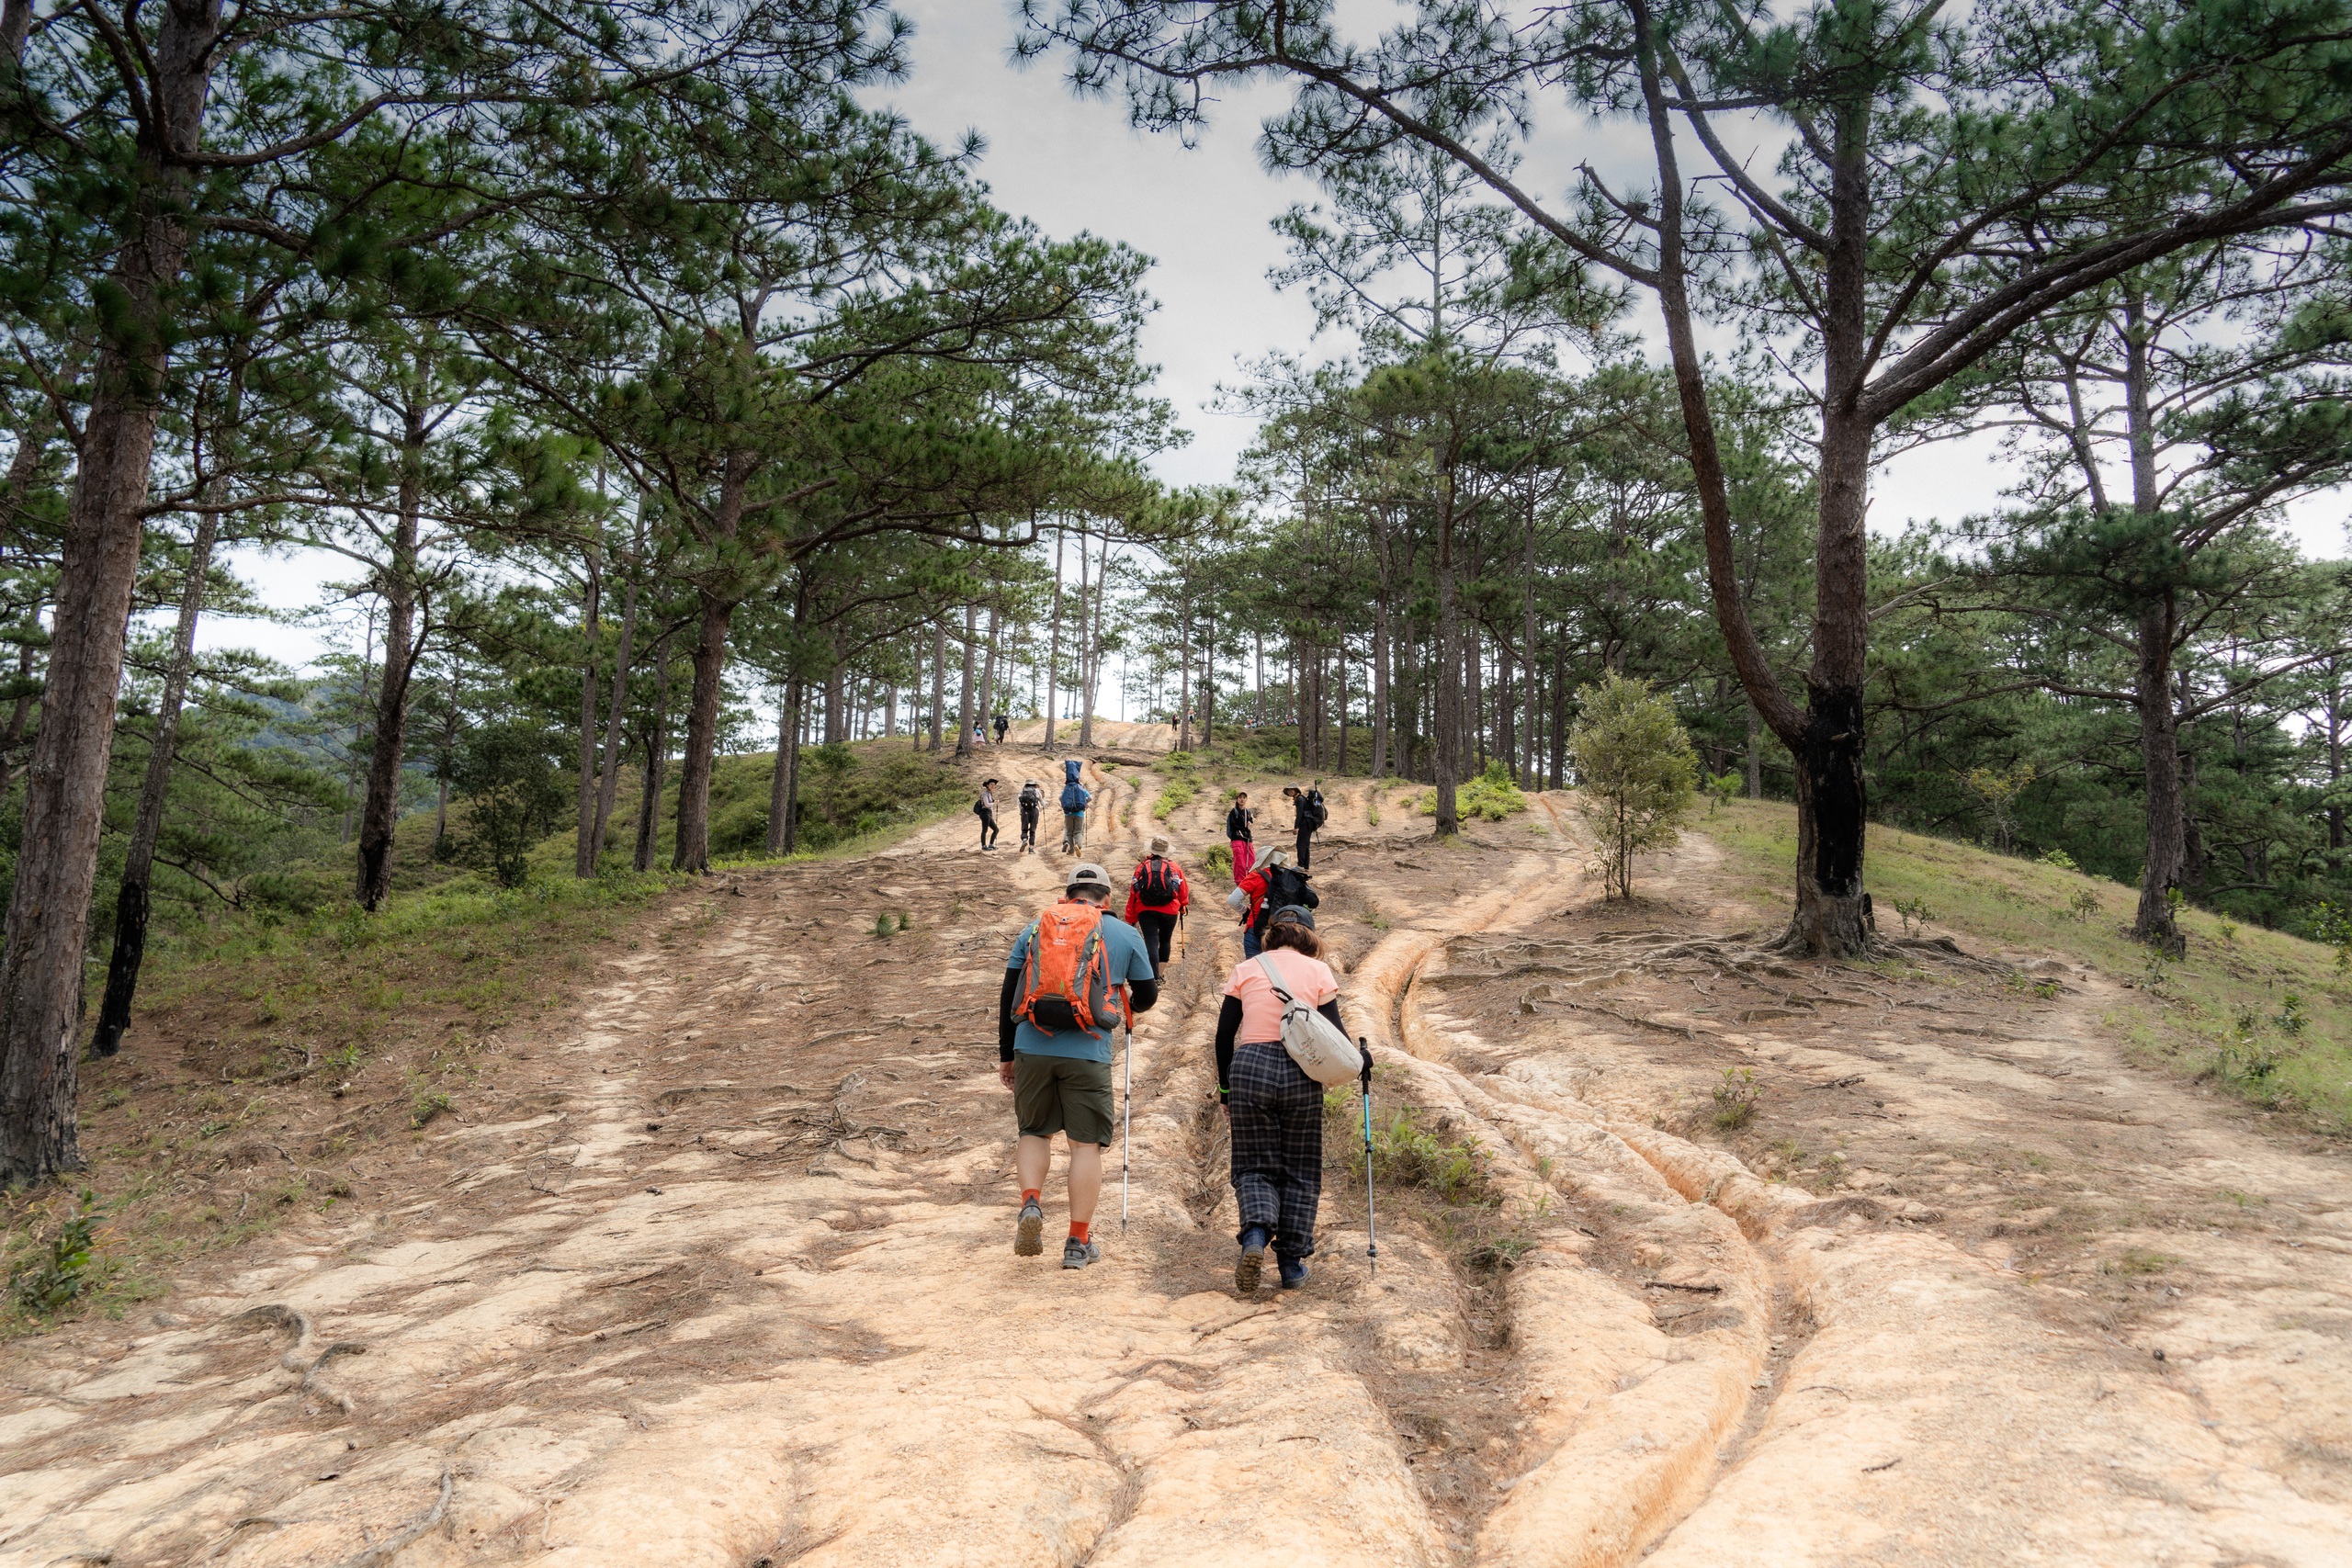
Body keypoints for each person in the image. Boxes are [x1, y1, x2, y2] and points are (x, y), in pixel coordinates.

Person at [1001, 863, 1159, 1269]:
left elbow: (1009, 996)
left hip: (1032, 1046)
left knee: (1034, 1131)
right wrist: (1126, 1006)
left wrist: (1006, 1055)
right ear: (1108, 899)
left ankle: (1031, 1203)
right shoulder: (1125, 934)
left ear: (1067, 894)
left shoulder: (1036, 928)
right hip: (1088, 1051)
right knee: (1085, 1145)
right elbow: (1146, 994)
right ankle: (1077, 1241)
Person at [1216, 906, 1359, 1291]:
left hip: (1250, 1067)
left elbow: (1224, 1035)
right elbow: (1334, 1032)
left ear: (1273, 934)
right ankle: (1291, 1265)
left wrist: (1226, 1090)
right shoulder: (1318, 971)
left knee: (1253, 1165)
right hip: (1302, 1069)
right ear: (1309, 936)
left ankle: (1255, 1238)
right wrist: (1361, 1060)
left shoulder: (1248, 968)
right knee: (1300, 1167)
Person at [1123, 835, 1190, 974]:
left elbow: (1133, 894)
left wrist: (1131, 917)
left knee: (1151, 940)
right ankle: (1160, 974)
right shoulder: (1175, 867)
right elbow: (1183, 891)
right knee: (1165, 941)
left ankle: (1153, 976)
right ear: (1166, 851)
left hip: (1145, 909)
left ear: (1152, 850)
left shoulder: (1141, 867)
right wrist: (1182, 905)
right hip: (1169, 910)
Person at [1235, 848, 1316, 959]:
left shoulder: (1256, 876)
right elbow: (1310, 906)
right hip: (1284, 933)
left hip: (1255, 929)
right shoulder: (1292, 879)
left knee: (1255, 970)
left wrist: (1245, 910)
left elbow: (1233, 900)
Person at [1285, 781, 1327, 870]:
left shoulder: (1300, 799)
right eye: (1289, 791)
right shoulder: (1301, 798)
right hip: (1309, 824)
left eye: (1292, 790)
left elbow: (1300, 814)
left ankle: (1300, 865)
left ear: (1296, 790)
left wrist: (1296, 827)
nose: (1290, 792)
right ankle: (1306, 866)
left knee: (1301, 844)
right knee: (1306, 845)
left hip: (1306, 824)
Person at [1059, 759, 1091, 853]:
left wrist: (1064, 804)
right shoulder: (1081, 788)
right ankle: (1078, 845)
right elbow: (1090, 798)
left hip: (1068, 813)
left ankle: (1071, 850)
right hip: (1079, 813)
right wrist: (1084, 801)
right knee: (1078, 831)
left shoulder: (1066, 788)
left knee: (1069, 833)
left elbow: (1060, 797)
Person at [1226, 792, 1256, 885]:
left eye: (1244, 797)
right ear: (1237, 799)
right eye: (1240, 797)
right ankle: (1240, 882)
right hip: (1237, 838)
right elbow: (1233, 825)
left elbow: (1251, 821)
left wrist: (1251, 823)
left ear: (1246, 799)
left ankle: (1250, 880)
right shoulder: (1234, 812)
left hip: (1247, 838)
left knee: (1251, 859)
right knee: (1240, 861)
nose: (1242, 799)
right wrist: (1245, 828)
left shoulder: (1248, 812)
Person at [1017, 779, 1044, 852]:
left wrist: (1021, 811)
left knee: (1024, 828)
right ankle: (1031, 849)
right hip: (1034, 811)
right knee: (1032, 830)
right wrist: (1043, 805)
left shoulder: (1022, 791)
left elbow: (1019, 802)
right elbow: (1042, 802)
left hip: (1024, 811)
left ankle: (1024, 839)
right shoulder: (1036, 790)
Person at [976, 778, 1000, 851]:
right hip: (984, 813)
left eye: (994, 785)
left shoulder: (989, 794)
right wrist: (994, 803)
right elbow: (986, 805)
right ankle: (984, 846)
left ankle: (991, 844)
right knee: (985, 830)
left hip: (988, 813)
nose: (993, 786)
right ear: (987, 785)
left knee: (996, 829)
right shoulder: (984, 794)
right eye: (991, 784)